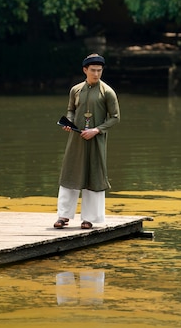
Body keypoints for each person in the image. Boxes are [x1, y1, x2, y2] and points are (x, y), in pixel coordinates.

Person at [54, 53, 120, 230]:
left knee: (94, 175)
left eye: (99, 70)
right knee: (70, 173)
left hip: (96, 140)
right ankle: (63, 216)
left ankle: (89, 218)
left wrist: (97, 130)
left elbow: (115, 117)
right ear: (85, 70)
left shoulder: (107, 92)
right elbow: (71, 110)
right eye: (93, 70)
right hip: (76, 139)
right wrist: (68, 123)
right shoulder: (75, 90)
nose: (97, 74)